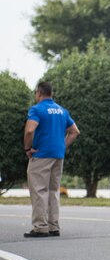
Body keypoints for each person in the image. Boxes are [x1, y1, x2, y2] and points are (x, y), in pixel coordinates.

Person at [23, 81, 80, 237]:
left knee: (39, 190)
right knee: (53, 190)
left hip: (41, 154)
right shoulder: (62, 111)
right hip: (58, 155)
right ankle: (53, 226)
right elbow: (75, 132)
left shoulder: (37, 109)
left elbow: (29, 131)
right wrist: (62, 145)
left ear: (39, 93)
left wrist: (28, 149)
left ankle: (40, 227)